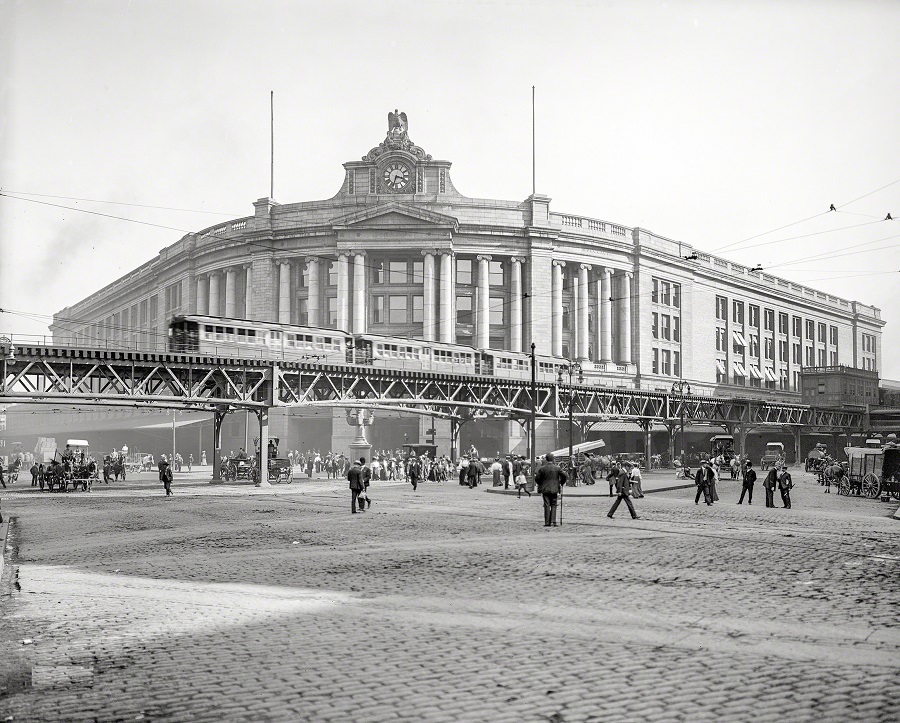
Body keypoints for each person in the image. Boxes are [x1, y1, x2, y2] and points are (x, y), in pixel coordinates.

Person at [535, 452, 568, 527]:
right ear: (553, 459)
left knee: (546, 505)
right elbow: (565, 476)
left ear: (546, 459)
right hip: (554, 488)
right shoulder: (557, 468)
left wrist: (541, 483)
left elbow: (537, 478)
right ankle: (553, 521)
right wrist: (561, 482)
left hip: (545, 489)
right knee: (554, 504)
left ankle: (547, 522)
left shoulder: (542, 468)